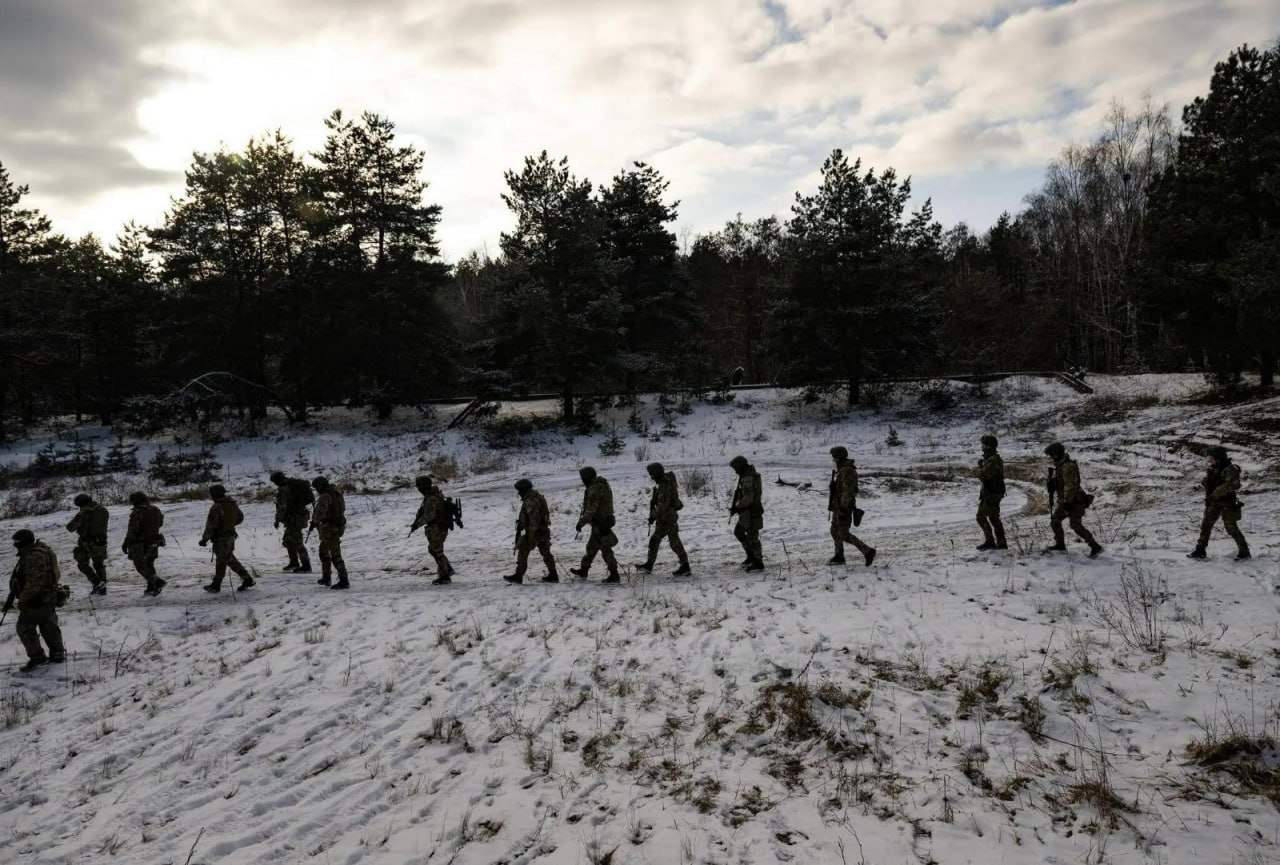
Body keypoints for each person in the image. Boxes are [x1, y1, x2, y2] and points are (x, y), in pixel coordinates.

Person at [6, 529, 67, 672]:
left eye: (17, 542)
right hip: (46, 595)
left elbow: (34, 582)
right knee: (48, 624)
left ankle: (37, 658)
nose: (15, 545)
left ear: (23, 542)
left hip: (36, 598)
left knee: (24, 627)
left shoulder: (34, 556)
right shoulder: (38, 550)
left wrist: (23, 600)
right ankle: (57, 653)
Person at [1189, 446, 1250, 560]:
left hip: (1227, 503)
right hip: (1213, 503)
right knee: (1206, 526)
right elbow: (1213, 482)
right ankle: (1200, 550)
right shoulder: (1214, 469)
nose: (1210, 461)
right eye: (1209, 458)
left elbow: (1233, 485)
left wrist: (1215, 494)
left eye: (1211, 458)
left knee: (1231, 528)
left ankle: (1244, 552)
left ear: (1219, 458)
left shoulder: (1230, 469)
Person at [1044, 442, 1103, 558]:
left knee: (1074, 524)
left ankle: (1095, 546)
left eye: (1052, 455)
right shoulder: (1061, 466)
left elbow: (1070, 486)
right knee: (1058, 521)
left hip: (1074, 501)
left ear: (1057, 454)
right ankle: (1060, 544)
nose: (1051, 458)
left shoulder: (1067, 466)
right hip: (1070, 500)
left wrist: (1067, 502)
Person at [636, 462, 692, 576]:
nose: (651, 477)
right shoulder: (663, 483)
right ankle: (649, 565)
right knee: (656, 541)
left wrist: (653, 516)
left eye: (652, 474)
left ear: (656, 474)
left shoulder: (665, 485)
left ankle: (685, 566)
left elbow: (662, 505)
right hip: (664, 519)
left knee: (674, 543)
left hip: (668, 519)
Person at [198, 484, 255, 592]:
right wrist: (229, 526)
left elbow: (211, 525)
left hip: (221, 538)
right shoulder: (232, 504)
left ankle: (247, 579)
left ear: (214, 494)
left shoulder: (216, 507)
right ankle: (216, 584)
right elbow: (240, 518)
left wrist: (204, 539)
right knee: (221, 560)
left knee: (228, 559)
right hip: (230, 536)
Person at [569, 467, 621, 584]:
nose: (582, 481)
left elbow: (591, 510)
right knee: (592, 548)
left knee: (605, 549)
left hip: (600, 523)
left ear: (587, 478)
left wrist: (581, 523)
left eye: (583, 478)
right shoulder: (602, 484)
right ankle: (584, 570)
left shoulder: (594, 489)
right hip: (604, 521)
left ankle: (614, 574)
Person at [505, 478, 559, 584]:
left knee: (523, 551)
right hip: (542, 530)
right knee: (546, 553)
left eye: (520, 490)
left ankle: (518, 576)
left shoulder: (530, 501)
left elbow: (534, 520)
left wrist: (531, 536)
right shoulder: (537, 496)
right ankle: (553, 574)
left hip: (535, 532)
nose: (519, 493)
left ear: (524, 490)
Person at [828, 447, 876, 566]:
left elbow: (848, 491)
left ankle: (868, 551)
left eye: (834, 457)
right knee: (834, 530)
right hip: (838, 506)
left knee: (843, 533)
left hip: (844, 507)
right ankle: (839, 556)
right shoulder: (841, 470)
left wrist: (844, 508)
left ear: (839, 457)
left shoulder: (847, 471)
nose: (833, 459)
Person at [410, 475, 455, 584]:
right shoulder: (434, 495)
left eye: (419, 487)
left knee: (437, 551)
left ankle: (445, 576)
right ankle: (448, 569)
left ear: (423, 487)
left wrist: (417, 524)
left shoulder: (431, 499)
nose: (418, 490)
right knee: (433, 549)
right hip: (440, 526)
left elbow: (429, 516)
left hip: (437, 527)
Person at [122, 491, 166, 596]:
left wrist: (126, 543)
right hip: (154, 541)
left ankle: (157, 582)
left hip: (139, 543)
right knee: (149, 564)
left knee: (140, 565)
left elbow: (132, 530)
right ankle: (151, 587)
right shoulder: (155, 509)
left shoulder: (137, 512)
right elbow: (160, 523)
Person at [270, 470, 313, 573]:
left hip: (294, 519)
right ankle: (294, 563)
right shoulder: (292, 485)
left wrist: (277, 520)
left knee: (297, 542)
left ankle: (306, 566)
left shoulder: (283, 490)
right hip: (299, 516)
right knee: (288, 540)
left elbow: (282, 508)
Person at [66, 492, 109, 595]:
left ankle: (97, 582)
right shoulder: (103, 510)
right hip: (101, 541)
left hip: (87, 542)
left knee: (83, 564)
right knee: (99, 564)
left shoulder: (83, 513)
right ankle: (102, 585)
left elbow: (70, 527)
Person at [311, 476, 349, 589]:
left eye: (317, 487)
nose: (316, 490)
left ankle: (344, 580)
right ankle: (326, 577)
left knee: (335, 555)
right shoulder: (337, 492)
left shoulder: (325, 496)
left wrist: (315, 521)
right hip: (337, 526)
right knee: (323, 552)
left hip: (330, 529)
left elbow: (320, 513)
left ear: (320, 486)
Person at [729, 455, 764, 571]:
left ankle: (758, 562)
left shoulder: (748, 478)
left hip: (751, 511)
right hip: (747, 512)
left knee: (752, 536)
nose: (735, 472)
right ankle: (751, 556)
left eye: (736, 469)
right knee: (739, 532)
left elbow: (748, 498)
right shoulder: (746, 476)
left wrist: (737, 507)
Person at [975, 435, 1008, 550]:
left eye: (984, 445)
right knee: (994, 517)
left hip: (992, 493)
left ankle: (990, 541)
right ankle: (1001, 542)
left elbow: (984, 475)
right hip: (993, 491)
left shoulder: (993, 460)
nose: (982, 447)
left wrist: (978, 469)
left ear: (988, 446)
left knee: (981, 517)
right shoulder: (991, 458)